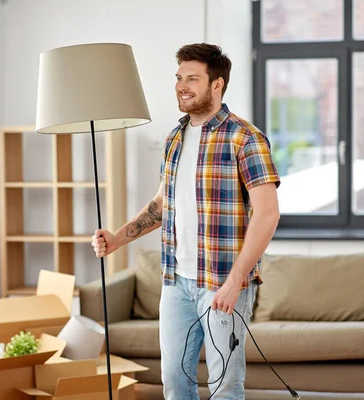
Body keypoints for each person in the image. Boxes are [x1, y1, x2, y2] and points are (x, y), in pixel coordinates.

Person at [91, 43, 281, 399]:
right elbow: (162, 205)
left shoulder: (245, 138)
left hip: (223, 283)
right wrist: (117, 238)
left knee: (225, 386)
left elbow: (268, 214)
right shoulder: (175, 138)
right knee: (175, 383)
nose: (182, 86)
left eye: (192, 78)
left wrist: (235, 281)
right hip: (175, 282)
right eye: (179, 78)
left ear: (217, 85)